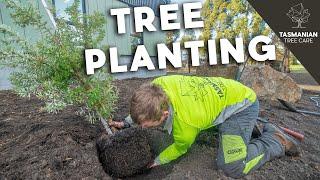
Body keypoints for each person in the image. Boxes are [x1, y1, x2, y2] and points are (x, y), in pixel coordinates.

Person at [109, 75, 299, 178]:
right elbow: (144, 108)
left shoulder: (186, 127)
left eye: (146, 125)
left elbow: (179, 148)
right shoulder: (157, 85)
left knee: (232, 167)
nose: (142, 127)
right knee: (219, 131)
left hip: (242, 106)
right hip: (222, 95)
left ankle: (274, 140)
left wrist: (157, 161)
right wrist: (127, 122)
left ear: (165, 114)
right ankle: (247, 131)